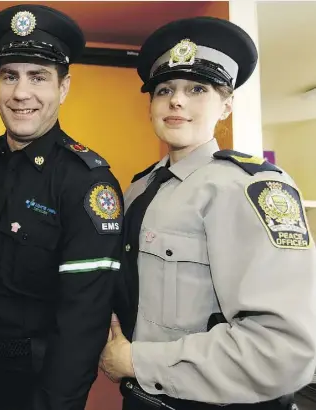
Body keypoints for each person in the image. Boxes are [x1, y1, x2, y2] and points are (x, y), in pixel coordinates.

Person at [98, 16, 316, 410]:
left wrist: (136, 360)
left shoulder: (250, 187)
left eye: (197, 88)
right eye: (164, 89)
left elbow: (283, 351)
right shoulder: (138, 188)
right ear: (150, 106)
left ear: (227, 105)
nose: (177, 100)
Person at [0, 4, 125, 410]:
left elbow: (83, 323)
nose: (21, 93)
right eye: (9, 76)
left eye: (38, 77)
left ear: (63, 88)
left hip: (31, 388)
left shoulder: (87, 182)